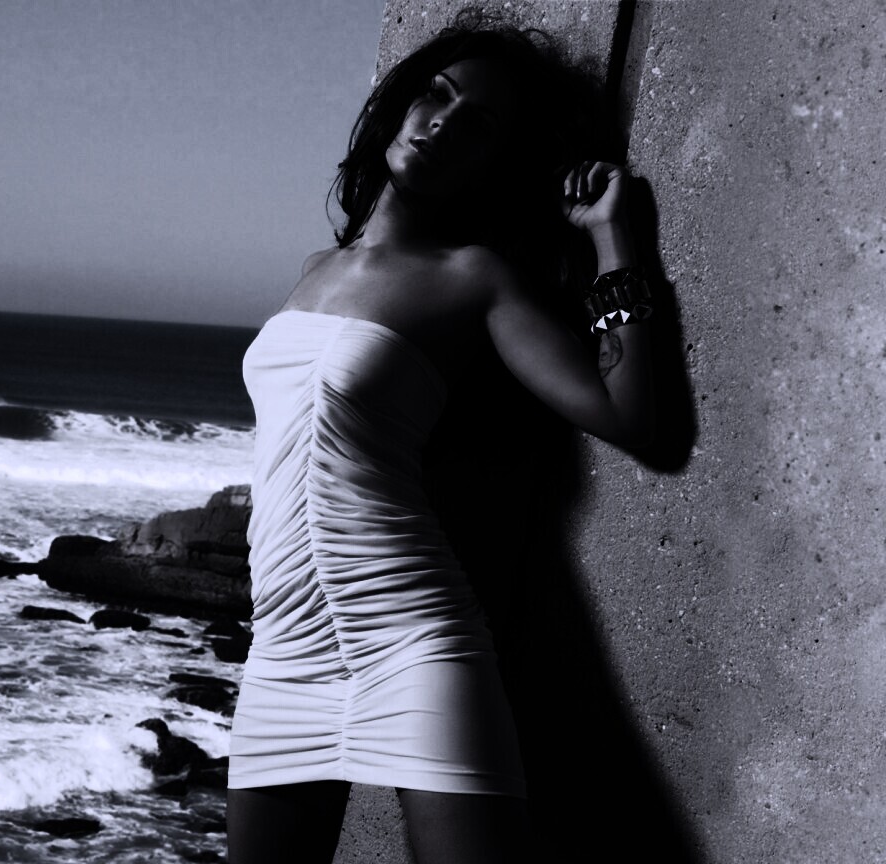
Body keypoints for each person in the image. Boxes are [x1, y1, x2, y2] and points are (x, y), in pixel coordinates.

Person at [227, 13, 654, 864]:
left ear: (497, 161)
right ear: (399, 104)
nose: (442, 123)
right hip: (283, 649)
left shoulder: (473, 279)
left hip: (411, 638)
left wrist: (615, 239)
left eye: (478, 123)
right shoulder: (313, 272)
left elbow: (632, 416)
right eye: (436, 94)